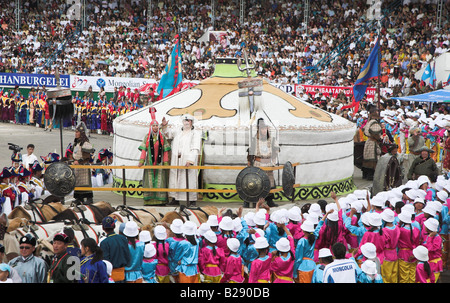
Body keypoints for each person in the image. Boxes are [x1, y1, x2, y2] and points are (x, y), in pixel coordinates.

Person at [161, 114, 202, 206]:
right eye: (185, 120)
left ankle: (192, 201)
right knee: (175, 179)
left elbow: (195, 148)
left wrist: (190, 160)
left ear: (192, 122)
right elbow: (168, 134)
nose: (186, 122)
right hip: (176, 160)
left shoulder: (195, 133)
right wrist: (164, 126)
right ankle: (175, 199)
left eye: (189, 121)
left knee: (188, 180)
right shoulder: (178, 131)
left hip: (187, 160)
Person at [138, 107, 171, 205]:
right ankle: (149, 200)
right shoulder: (147, 137)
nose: (155, 127)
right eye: (154, 126)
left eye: (157, 126)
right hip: (149, 162)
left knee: (160, 181)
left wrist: (165, 162)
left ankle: (160, 200)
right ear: (151, 127)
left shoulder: (162, 137)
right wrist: (141, 161)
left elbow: (165, 151)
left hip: (160, 163)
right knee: (150, 181)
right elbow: (144, 150)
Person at [247, 118, 280, 207]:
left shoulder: (272, 139)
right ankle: (256, 201)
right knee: (257, 182)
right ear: (259, 129)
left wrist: (273, 160)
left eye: (265, 129)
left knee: (269, 182)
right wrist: (249, 164)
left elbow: (276, 150)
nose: (264, 130)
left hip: (268, 163)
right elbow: (250, 153)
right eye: (262, 129)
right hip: (258, 163)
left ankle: (269, 201)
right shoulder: (254, 140)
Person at [99, 216, 131, 283]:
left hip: (111, 277)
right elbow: (128, 257)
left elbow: (106, 263)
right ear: (114, 226)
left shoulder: (104, 243)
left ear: (103, 228)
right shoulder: (123, 238)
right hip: (123, 275)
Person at [72, 122, 95, 204]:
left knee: (85, 183)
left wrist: (79, 161)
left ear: (81, 133)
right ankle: (79, 198)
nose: (76, 134)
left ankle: (89, 198)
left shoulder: (85, 143)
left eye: (77, 132)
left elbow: (87, 157)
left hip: (83, 167)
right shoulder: (76, 143)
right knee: (77, 183)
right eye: (75, 132)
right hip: (77, 168)